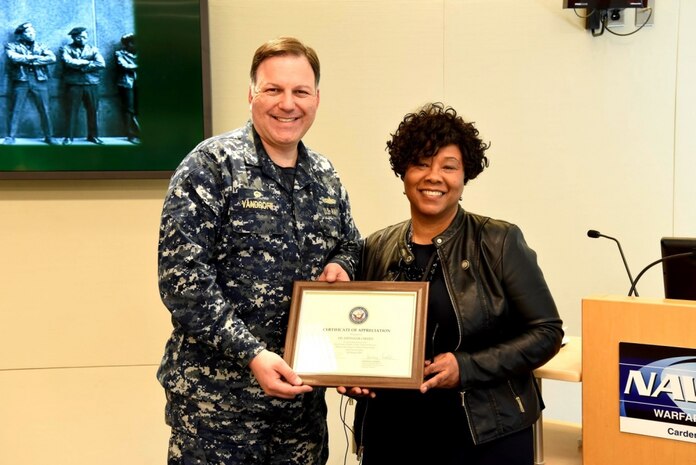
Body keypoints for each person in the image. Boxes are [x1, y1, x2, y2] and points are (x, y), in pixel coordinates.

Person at [157, 37, 361, 465]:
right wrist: (252, 353)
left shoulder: (324, 176)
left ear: (316, 99)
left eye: (300, 91)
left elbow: (351, 242)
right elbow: (182, 282)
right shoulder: (210, 166)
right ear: (251, 94)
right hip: (217, 413)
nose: (288, 104)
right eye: (274, 89)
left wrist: (342, 263)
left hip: (300, 414)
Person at [340, 102, 564, 465]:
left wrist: (467, 367)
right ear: (403, 173)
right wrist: (352, 372)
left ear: (464, 177)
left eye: (448, 166)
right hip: (393, 434)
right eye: (421, 164)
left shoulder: (499, 241)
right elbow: (360, 333)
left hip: (484, 435)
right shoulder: (375, 248)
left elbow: (546, 332)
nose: (434, 176)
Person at [4, 22, 57, 145]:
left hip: (39, 79)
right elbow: (14, 57)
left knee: (45, 109)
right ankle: (10, 136)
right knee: (16, 109)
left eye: (33, 32)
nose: (32, 34)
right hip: (21, 80)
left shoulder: (41, 45)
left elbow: (52, 58)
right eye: (28, 32)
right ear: (21, 34)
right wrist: (34, 58)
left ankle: (49, 136)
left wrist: (30, 60)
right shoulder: (11, 46)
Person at [60, 27, 105, 145]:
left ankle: (93, 136)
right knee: (71, 111)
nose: (82, 39)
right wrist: (88, 62)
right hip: (74, 84)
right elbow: (68, 61)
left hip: (91, 84)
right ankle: (69, 137)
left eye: (85, 37)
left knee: (93, 111)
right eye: (79, 37)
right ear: (73, 37)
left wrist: (82, 66)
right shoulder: (66, 48)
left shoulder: (93, 49)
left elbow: (101, 63)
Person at [114, 33, 140, 144]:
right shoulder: (119, 53)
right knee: (129, 109)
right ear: (129, 43)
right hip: (127, 84)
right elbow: (124, 66)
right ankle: (131, 134)